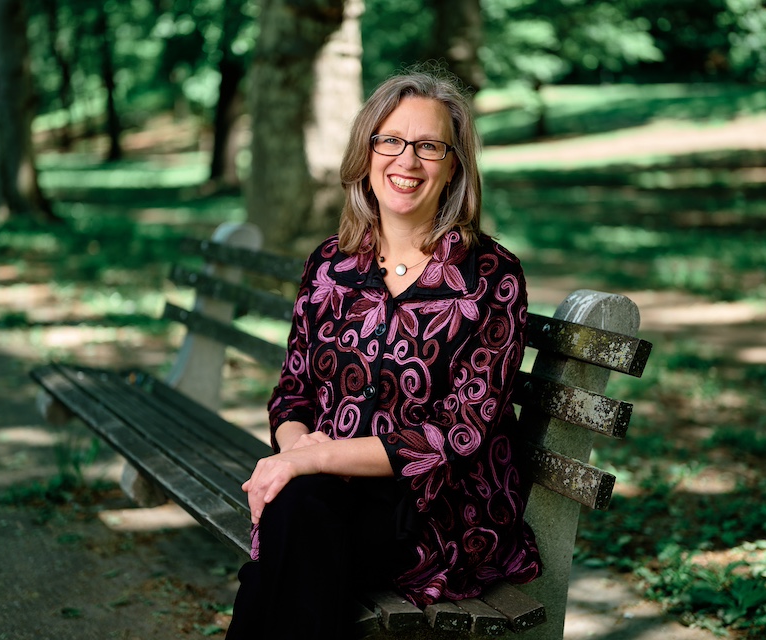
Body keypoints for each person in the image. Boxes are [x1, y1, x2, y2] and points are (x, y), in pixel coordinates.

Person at [225, 66, 541, 640]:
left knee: (288, 539)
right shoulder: (331, 265)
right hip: (329, 493)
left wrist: (307, 461)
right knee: (301, 518)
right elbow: (292, 394)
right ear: (366, 153)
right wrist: (301, 449)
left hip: (436, 511)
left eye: (428, 146)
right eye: (391, 141)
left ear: (454, 167)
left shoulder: (489, 276)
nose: (407, 161)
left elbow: (460, 434)